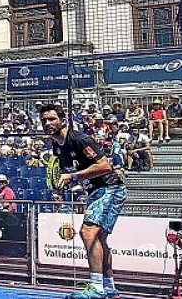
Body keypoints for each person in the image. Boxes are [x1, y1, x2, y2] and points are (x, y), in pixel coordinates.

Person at [41, 103, 128, 299]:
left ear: (63, 120)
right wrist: (66, 182)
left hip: (109, 188)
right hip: (95, 191)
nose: (47, 123)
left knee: (87, 233)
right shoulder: (57, 146)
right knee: (99, 239)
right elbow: (73, 171)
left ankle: (96, 288)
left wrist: (72, 178)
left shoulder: (79, 139)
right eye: (44, 120)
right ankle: (109, 287)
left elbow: (105, 166)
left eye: (52, 119)